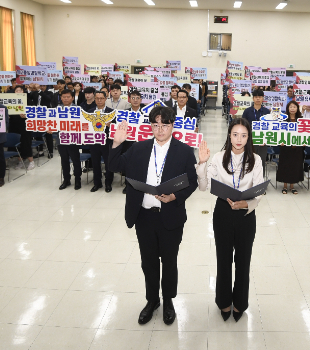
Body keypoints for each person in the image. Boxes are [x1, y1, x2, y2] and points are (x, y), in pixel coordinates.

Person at [108, 105, 198, 326]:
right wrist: (117, 144)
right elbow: (113, 165)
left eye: (164, 125)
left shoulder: (184, 151)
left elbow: (192, 182)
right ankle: (152, 301)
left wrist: (175, 197)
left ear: (172, 125)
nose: (160, 130)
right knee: (148, 262)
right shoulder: (139, 149)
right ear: (151, 126)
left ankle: (168, 301)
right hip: (144, 217)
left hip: (170, 216)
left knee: (169, 262)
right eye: (155, 125)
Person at [196, 120, 262, 322]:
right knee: (223, 259)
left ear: (248, 137)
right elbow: (203, 186)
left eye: (243, 135)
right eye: (235, 135)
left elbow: (258, 190)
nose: (239, 139)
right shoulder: (217, 157)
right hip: (223, 212)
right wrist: (202, 163)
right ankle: (223, 301)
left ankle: (240, 303)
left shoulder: (256, 159)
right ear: (229, 135)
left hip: (245, 214)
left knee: (243, 261)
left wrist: (246, 204)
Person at [89, 90, 115, 192]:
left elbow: (117, 127)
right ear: (94, 99)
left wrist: (111, 124)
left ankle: (108, 183)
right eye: (97, 98)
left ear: (105, 99)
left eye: (101, 98)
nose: (99, 100)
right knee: (95, 163)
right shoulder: (89, 112)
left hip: (107, 141)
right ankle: (97, 183)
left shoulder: (111, 112)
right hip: (94, 141)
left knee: (108, 163)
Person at [57, 89, 82, 190]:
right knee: (64, 160)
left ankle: (77, 179)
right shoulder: (57, 109)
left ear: (72, 98)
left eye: (68, 97)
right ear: (61, 98)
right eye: (64, 97)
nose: (66, 99)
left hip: (73, 139)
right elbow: (52, 122)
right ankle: (66, 179)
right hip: (61, 138)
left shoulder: (78, 109)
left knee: (76, 160)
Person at [277, 100, 304, 194]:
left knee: (295, 166)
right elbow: (279, 133)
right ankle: (285, 186)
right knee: (285, 166)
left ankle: (292, 186)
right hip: (285, 148)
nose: (292, 108)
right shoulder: (283, 119)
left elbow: (305, 133)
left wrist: (304, 141)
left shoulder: (301, 120)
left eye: (294, 107)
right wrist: (280, 141)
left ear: (297, 108)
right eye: (291, 107)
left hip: (297, 148)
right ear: (288, 108)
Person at [242, 89, 270, 175]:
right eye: (256, 97)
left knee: (261, 162)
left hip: (262, 141)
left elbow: (269, 126)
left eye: (260, 97)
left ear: (262, 99)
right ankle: (248, 181)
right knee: (249, 161)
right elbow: (243, 126)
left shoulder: (267, 111)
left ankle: (260, 182)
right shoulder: (247, 111)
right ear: (253, 98)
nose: (258, 99)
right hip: (250, 140)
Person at [9, 85, 35, 171]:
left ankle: (31, 162)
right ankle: (20, 160)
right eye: (16, 91)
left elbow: (34, 115)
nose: (18, 92)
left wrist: (27, 116)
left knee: (26, 143)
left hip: (25, 125)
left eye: (20, 90)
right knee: (16, 144)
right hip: (14, 125)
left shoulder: (29, 102)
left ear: (23, 92)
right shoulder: (10, 102)